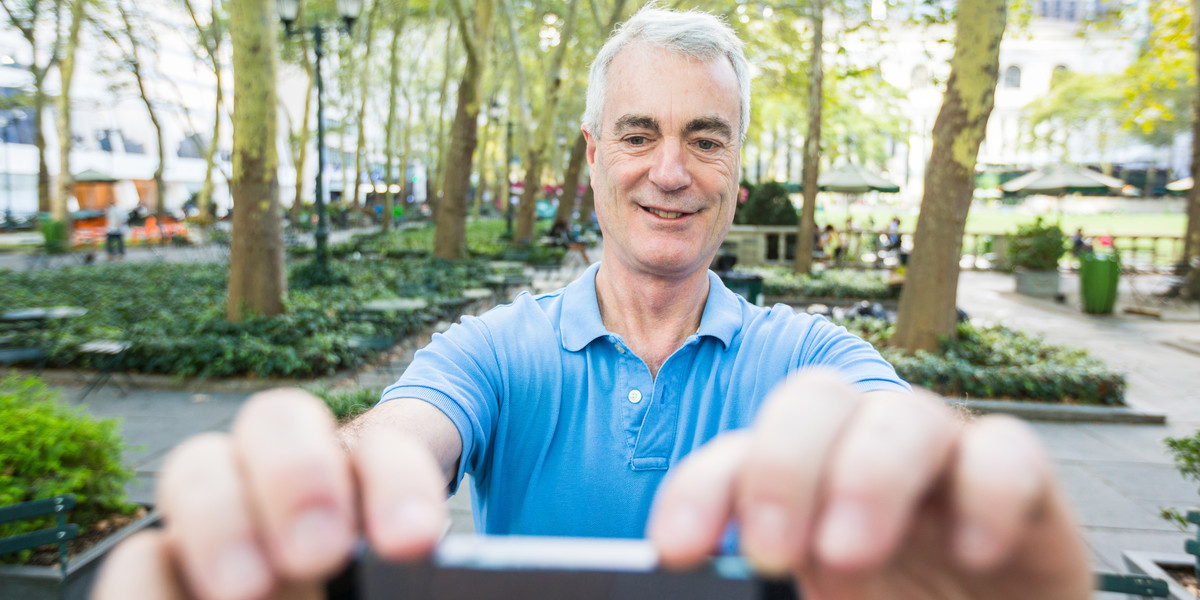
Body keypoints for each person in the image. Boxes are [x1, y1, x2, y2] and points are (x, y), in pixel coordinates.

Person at [94, 8, 1090, 600]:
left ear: (738, 174)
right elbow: (403, 436)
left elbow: (902, 428)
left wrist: (950, 495)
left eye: (706, 139)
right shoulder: (490, 350)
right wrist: (329, 495)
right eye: (639, 133)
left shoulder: (806, 357)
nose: (670, 170)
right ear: (593, 158)